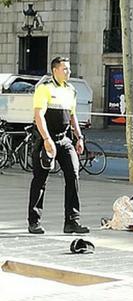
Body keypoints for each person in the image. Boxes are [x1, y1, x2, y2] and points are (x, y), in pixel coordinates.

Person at [27, 56, 89, 234]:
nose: (68, 72)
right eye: (65, 69)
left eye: (69, 69)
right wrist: (47, 140)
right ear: (55, 70)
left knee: (73, 175)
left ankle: (72, 221)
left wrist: (80, 137)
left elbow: (72, 115)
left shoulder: (71, 90)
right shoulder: (44, 89)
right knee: (40, 180)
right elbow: (39, 116)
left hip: (64, 139)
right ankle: (34, 221)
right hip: (46, 139)